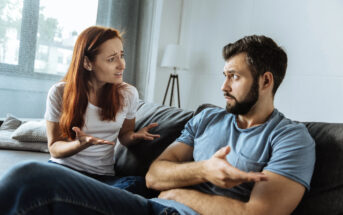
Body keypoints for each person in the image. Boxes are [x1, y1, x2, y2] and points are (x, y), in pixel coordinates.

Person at [0, 35, 315, 215]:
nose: (223, 87)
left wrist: (178, 195)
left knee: (30, 177)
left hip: (170, 211)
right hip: (149, 206)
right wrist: (204, 170)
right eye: (224, 76)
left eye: (234, 77)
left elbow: (258, 214)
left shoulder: (291, 138)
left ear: (265, 80)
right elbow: (154, 175)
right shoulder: (208, 118)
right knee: (32, 188)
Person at [44, 25, 159, 186]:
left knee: (137, 184)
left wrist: (133, 137)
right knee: (28, 173)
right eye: (112, 59)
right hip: (63, 171)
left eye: (121, 55)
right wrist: (80, 144)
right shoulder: (59, 92)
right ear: (87, 63)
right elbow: (54, 147)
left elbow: (125, 135)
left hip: (102, 179)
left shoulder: (128, 94)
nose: (122, 65)